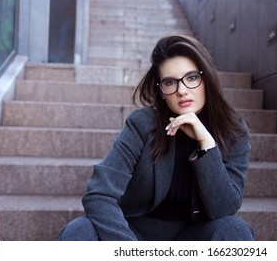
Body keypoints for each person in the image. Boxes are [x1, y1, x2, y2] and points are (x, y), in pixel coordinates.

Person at [58, 33, 255, 241]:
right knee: (79, 230)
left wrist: (206, 145)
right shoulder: (143, 124)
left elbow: (223, 210)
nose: (182, 91)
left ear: (206, 78)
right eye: (170, 82)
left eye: (191, 78)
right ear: (161, 91)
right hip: (133, 233)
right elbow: (99, 194)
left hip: (193, 237)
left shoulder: (232, 131)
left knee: (234, 230)